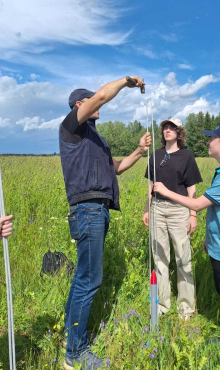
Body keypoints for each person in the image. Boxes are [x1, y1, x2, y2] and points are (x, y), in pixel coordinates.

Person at [59, 76, 151, 370]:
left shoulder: (97, 138)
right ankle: (75, 353)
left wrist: (138, 150)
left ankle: (69, 335)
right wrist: (126, 81)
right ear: (79, 104)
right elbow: (100, 97)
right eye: (89, 99)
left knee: (83, 277)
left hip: (99, 209)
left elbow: (117, 170)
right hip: (87, 210)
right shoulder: (72, 127)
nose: (97, 102)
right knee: (90, 279)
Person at [153, 124, 220, 351]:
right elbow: (219, 210)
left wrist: (166, 192)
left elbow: (198, 204)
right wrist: (209, 238)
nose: (208, 142)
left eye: (212, 139)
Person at [143, 118, 202, 320]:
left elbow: (192, 188)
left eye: (172, 128)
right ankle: (162, 305)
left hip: (179, 210)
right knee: (160, 259)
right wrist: (147, 210)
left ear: (179, 133)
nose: (167, 130)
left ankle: (186, 307)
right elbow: (151, 187)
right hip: (157, 209)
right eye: (165, 128)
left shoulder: (187, 156)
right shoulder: (155, 155)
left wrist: (192, 214)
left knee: (183, 258)